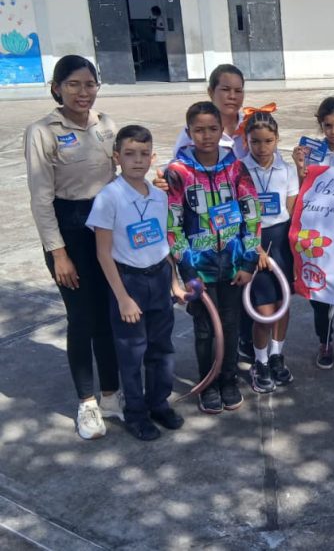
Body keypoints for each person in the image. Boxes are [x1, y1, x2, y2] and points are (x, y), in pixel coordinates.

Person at [24, 55, 123, 440]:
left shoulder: (107, 125)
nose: (84, 92)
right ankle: (87, 403)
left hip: (107, 227)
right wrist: (58, 252)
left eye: (90, 84)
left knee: (110, 314)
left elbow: (119, 174)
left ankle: (113, 396)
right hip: (69, 228)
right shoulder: (42, 131)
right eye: (74, 85)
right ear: (57, 87)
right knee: (82, 318)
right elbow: (40, 199)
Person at [86, 125, 187, 440]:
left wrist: (174, 281)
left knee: (162, 349)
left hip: (158, 277)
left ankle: (159, 403)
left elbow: (164, 244)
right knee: (132, 353)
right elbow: (103, 254)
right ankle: (136, 413)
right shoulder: (109, 197)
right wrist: (123, 298)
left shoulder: (158, 195)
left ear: (153, 156)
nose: (138, 160)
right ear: (117, 157)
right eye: (129, 154)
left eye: (144, 154)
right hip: (128, 281)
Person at [166, 101, 261, 415]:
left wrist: (248, 262)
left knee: (231, 325)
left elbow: (251, 214)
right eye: (198, 130)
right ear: (189, 132)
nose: (206, 135)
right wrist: (187, 270)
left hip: (233, 266)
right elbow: (173, 225)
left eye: (212, 129)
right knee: (205, 328)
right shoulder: (178, 172)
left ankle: (228, 379)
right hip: (199, 270)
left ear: (222, 131)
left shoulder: (235, 167)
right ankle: (208, 382)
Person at [293, 96, 334, 370]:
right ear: (320, 126)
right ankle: (324, 341)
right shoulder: (310, 153)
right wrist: (299, 168)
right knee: (318, 290)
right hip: (316, 234)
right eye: (327, 125)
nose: (333, 130)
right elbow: (300, 190)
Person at [241, 110, 299, 393]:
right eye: (255, 142)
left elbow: (290, 209)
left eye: (268, 141)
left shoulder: (286, 170)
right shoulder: (239, 170)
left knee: (282, 304)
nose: (262, 148)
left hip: (280, 241)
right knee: (263, 309)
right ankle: (260, 361)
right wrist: (256, 247)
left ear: (277, 140)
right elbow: (238, 216)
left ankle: (277, 356)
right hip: (254, 241)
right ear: (247, 141)